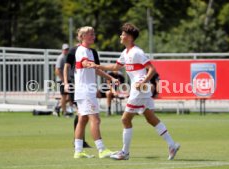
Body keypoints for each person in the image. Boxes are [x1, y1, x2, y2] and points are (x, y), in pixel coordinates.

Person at [96, 23, 180, 160]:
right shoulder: (125, 52)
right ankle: (172, 144)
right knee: (151, 118)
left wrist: (144, 81)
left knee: (125, 119)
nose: (120, 36)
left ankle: (125, 152)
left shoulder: (137, 52)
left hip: (139, 88)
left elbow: (152, 69)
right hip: (141, 89)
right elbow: (116, 67)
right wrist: (98, 66)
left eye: (123, 34)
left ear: (129, 37)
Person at [64, 26, 117, 159]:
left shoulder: (91, 51)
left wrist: (110, 77)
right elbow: (85, 63)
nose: (93, 36)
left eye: (93, 33)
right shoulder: (82, 50)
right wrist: (91, 65)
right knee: (96, 119)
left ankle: (78, 151)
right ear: (82, 37)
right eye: (90, 34)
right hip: (86, 90)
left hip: (85, 89)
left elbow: (95, 69)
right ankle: (102, 149)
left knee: (82, 119)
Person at [54, 43, 73, 117]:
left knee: (70, 97)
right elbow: (57, 70)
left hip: (68, 79)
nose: (66, 51)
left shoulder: (68, 57)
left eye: (67, 49)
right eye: (65, 49)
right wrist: (63, 80)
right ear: (62, 50)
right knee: (64, 96)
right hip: (62, 80)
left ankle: (58, 107)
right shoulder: (61, 58)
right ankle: (64, 112)